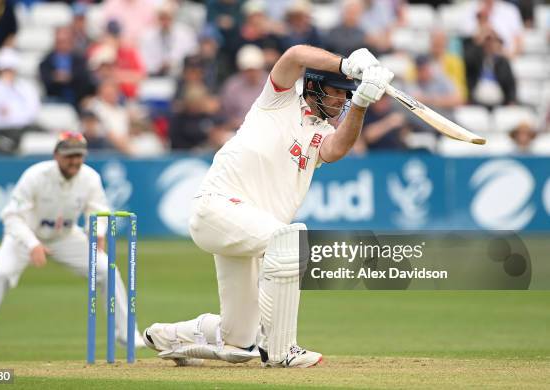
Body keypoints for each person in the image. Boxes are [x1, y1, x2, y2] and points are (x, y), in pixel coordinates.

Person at [143, 45, 393, 367]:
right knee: (290, 239)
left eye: (347, 96)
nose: (341, 100)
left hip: (247, 230)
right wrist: (346, 65)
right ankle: (281, 350)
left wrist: (360, 104)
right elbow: (293, 56)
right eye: (338, 92)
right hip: (218, 207)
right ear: (314, 85)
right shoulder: (279, 99)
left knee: (238, 342)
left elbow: (337, 149)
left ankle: (167, 335)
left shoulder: (323, 132)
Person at [0, 132, 146, 350]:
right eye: (69, 156)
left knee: (106, 270)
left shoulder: (89, 177)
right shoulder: (35, 175)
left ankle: (127, 334)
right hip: (25, 236)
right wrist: (32, 244)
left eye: (79, 155)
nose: (74, 161)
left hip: (64, 237)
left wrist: (98, 233)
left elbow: (98, 211)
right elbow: (12, 217)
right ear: (56, 155)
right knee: (1, 274)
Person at [40, 26, 95, 108]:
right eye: (60, 41)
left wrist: (69, 76)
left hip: (77, 99)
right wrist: (56, 78)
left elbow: (84, 78)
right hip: (55, 99)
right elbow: (46, 79)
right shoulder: (46, 61)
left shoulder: (79, 59)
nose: (62, 45)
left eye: (65, 41)